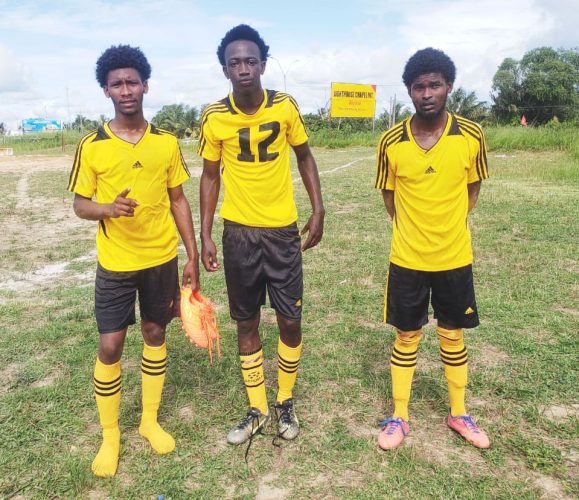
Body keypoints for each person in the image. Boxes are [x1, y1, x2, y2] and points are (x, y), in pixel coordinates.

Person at [67, 45, 199, 477]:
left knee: (155, 332)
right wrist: (107, 209)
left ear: (146, 85)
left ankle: (148, 421)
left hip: (160, 259)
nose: (126, 90)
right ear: (106, 90)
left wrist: (192, 252)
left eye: (132, 82)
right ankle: (110, 436)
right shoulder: (92, 146)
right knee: (111, 344)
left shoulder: (165, 142)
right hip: (116, 262)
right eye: (116, 83)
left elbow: (178, 198)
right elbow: (80, 205)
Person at [198, 24, 324, 445]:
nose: (244, 68)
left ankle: (285, 400)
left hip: (282, 234)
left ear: (263, 64)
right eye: (235, 62)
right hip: (238, 235)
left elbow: (305, 156)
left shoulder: (285, 106)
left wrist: (318, 207)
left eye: (251, 60)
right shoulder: (214, 116)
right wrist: (206, 234)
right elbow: (210, 176)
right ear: (225, 70)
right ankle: (257, 407)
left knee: (290, 319)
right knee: (246, 321)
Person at [374, 48, 490, 450]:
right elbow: (390, 198)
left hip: (454, 257)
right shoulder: (391, 141)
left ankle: (458, 412)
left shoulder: (471, 135)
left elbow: (472, 189)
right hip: (407, 259)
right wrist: (414, 229)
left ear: (449, 87)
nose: (427, 93)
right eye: (419, 86)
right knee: (407, 336)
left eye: (434, 84)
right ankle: (400, 416)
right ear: (409, 90)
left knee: (452, 333)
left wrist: (447, 224)